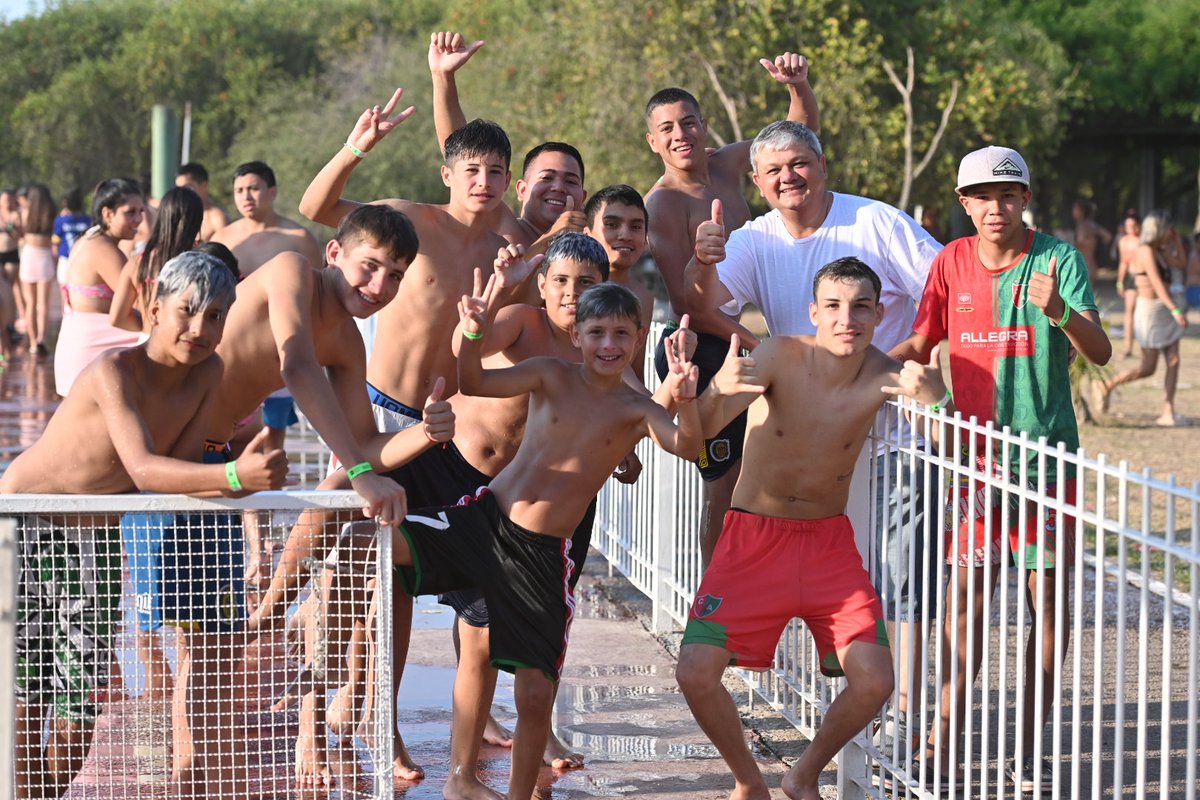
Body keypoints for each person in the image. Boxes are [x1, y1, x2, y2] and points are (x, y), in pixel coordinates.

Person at [387, 279, 700, 800]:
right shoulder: (550, 375)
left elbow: (685, 445)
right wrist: (472, 330)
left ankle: (516, 794)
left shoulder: (635, 407)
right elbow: (474, 379)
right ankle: (330, 676)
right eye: (596, 332)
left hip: (541, 558)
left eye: (621, 334)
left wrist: (685, 398)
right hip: (484, 522)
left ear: (639, 337)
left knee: (534, 694)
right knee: (366, 536)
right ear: (575, 336)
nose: (608, 344)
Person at [2, 251, 289, 800]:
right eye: (187, 311)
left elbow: (169, 477)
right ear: (154, 308)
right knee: (24, 688)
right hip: (26, 521)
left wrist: (238, 477)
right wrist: (233, 472)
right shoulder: (115, 372)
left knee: (81, 698)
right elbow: (140, 465)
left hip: (97, 535)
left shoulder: (210, 373)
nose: (200, 329)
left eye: (216, 316)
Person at [684, 119, 940, 731]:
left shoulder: (874, 222)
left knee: (899, 575)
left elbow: (940, 291)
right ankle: (847, 687)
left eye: (799, 163)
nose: (787, 177)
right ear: (757, 181)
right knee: (835, 575)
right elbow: (705, 304)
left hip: (890, 429)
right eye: (773, 170)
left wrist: (890, 361)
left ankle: (899, 713)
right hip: (807, 439)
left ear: (822, 166)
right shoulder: (755, 239)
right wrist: (703, 263)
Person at [678, 257, 949, 800]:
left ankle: (802, 774)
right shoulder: (778, 354)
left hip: (828, 546)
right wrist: (705, 392)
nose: (847, 318)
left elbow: (948, 443)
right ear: (813, 312)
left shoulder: (886, 375)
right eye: (833, 306)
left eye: (861, 307)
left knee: (876, 680)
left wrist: (938, 394)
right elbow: (695, 436)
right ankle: (748, 780)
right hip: (753, 540)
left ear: (880, 314)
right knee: (695, 673)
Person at [894, 146, 1111, 792]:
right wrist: (859, 364)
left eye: (1009, 195)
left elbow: (1099, 352)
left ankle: (1029, 746)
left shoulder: (1058, 261)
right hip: (975, 469)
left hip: (1046, 466)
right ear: (965, 204)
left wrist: (1061, 312)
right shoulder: (950, 262)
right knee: (966, 604)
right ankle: (944, 739)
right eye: (983, 196)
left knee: (1049, 609)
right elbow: (920, 343)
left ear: (1027, 198)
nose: (997, 207)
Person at [643, 53, 818, 576]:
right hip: (700, 345)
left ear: (703, 126)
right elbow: (684, 303)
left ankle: (754, 580)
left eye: (689, 122)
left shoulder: (724, 164)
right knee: (724, 478)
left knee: (761, 467)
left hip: (738, 338)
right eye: (667, 128)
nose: (681, 134)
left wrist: (798, 85)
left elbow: (796, 136)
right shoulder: (665, 205)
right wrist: (749, 337)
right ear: (653, 142)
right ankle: (714, 598)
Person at [429, 32, 589, 259]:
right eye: (547, 178)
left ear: (583, 196)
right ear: (521, 189)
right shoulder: (501, 227)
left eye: (570, 181)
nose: (558, 187)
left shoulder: (589, 249)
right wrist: (443, 77)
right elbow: (461, 151)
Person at [53, 178, 147, 396]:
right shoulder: (104, 250)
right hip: (91, 354)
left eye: (141, 211)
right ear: (108, 214)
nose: (138, 219)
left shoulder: (88, 238)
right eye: (130, 212)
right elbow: (143, 301)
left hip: (78, 346)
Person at [1097, 209, 1188, 426]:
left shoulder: (1160, 249)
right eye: (1168, 229)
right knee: (1148, 368)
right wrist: (1175, 310)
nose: (1170, 232)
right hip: (1150, 312)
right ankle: (1107, 385)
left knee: (1174, 361)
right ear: (1158, 229)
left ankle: (1168, 410)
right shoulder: (1145, 250)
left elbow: (1181, 264)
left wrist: (1175, 241)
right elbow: (1156, 282)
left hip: (1164, 308)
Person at [109, 185, 204, 334]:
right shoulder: (202, 262)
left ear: (161, 217)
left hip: (147, 346)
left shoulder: (138, 262)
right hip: (185, 346)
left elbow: (117, 318)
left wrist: (147, 328)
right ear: (197, 221)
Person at [585, 184, 657, 377]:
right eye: (612, 225)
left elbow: (635, 372)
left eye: (635, 227)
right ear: (587, 234)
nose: (625, 235)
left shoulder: (643, 296)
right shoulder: (572, 289)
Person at [212, 160, 323, 277]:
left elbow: (318, 288)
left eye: (253, 188)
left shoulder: (300, 238)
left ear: (273, 192)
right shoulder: (221, 239)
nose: (246, 197)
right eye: (239, 191)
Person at [19, 182, 57, 356]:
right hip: (44, 256)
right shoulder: (49, 214)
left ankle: (33, 342)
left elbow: (19, 235)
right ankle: (42, 339)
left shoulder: (25, 213)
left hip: (28, 255)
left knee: (30, 304)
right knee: (43, 304)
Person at [175, 162, 230, 242]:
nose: (183, 192)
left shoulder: (217, 218)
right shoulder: (178, 215)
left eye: (188, 187)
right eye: (179, 189)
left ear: (204, 185)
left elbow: (227, 249)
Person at [52, 187, 92, 287]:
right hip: (84, 260)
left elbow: (55, 242)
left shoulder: (60, 220)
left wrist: (54, 260)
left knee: (65, 293)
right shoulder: (89, 220)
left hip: (66, 259)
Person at [1115, 211, 1142, 358]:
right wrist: (1120, 282)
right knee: (1129, 312)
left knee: (1143, 313)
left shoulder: (1144, 240)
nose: (1131, 228)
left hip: (1144, 278)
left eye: (1134, 225)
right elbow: (1123, 263)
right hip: (1131, 278)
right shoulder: (1123, 241)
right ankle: (1128, 347)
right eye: (1128, 226)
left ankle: (1146, 346)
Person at [0, 187, 22, 357]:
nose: (7, 203)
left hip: (11, 254)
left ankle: (10, 324)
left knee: (10, 288)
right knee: (2, 290)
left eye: (9, 200)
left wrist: (10, 227)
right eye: (4, 200)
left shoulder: (16, 214)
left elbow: (20, 235)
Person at [1072, 198, 1113, 280]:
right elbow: (1108, 237)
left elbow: (1080, 241)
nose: (1073, 211)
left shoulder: (1083, 226)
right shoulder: (1092, 225)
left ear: (1082, 211)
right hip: (1092, 264)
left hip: (1083, 265)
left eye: (1075, 209)